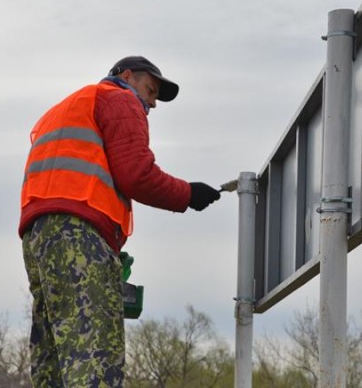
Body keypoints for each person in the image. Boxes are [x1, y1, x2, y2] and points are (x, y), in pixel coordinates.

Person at [19, 56, 221, 387]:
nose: (152, 103)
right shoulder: (120, 98)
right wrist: (188, 194)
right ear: (126, 76)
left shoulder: (65, 109)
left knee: (54, 357)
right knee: (95, 355)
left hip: (38, 236)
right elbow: (136, 175)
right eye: (151, 90)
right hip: (78, 231)